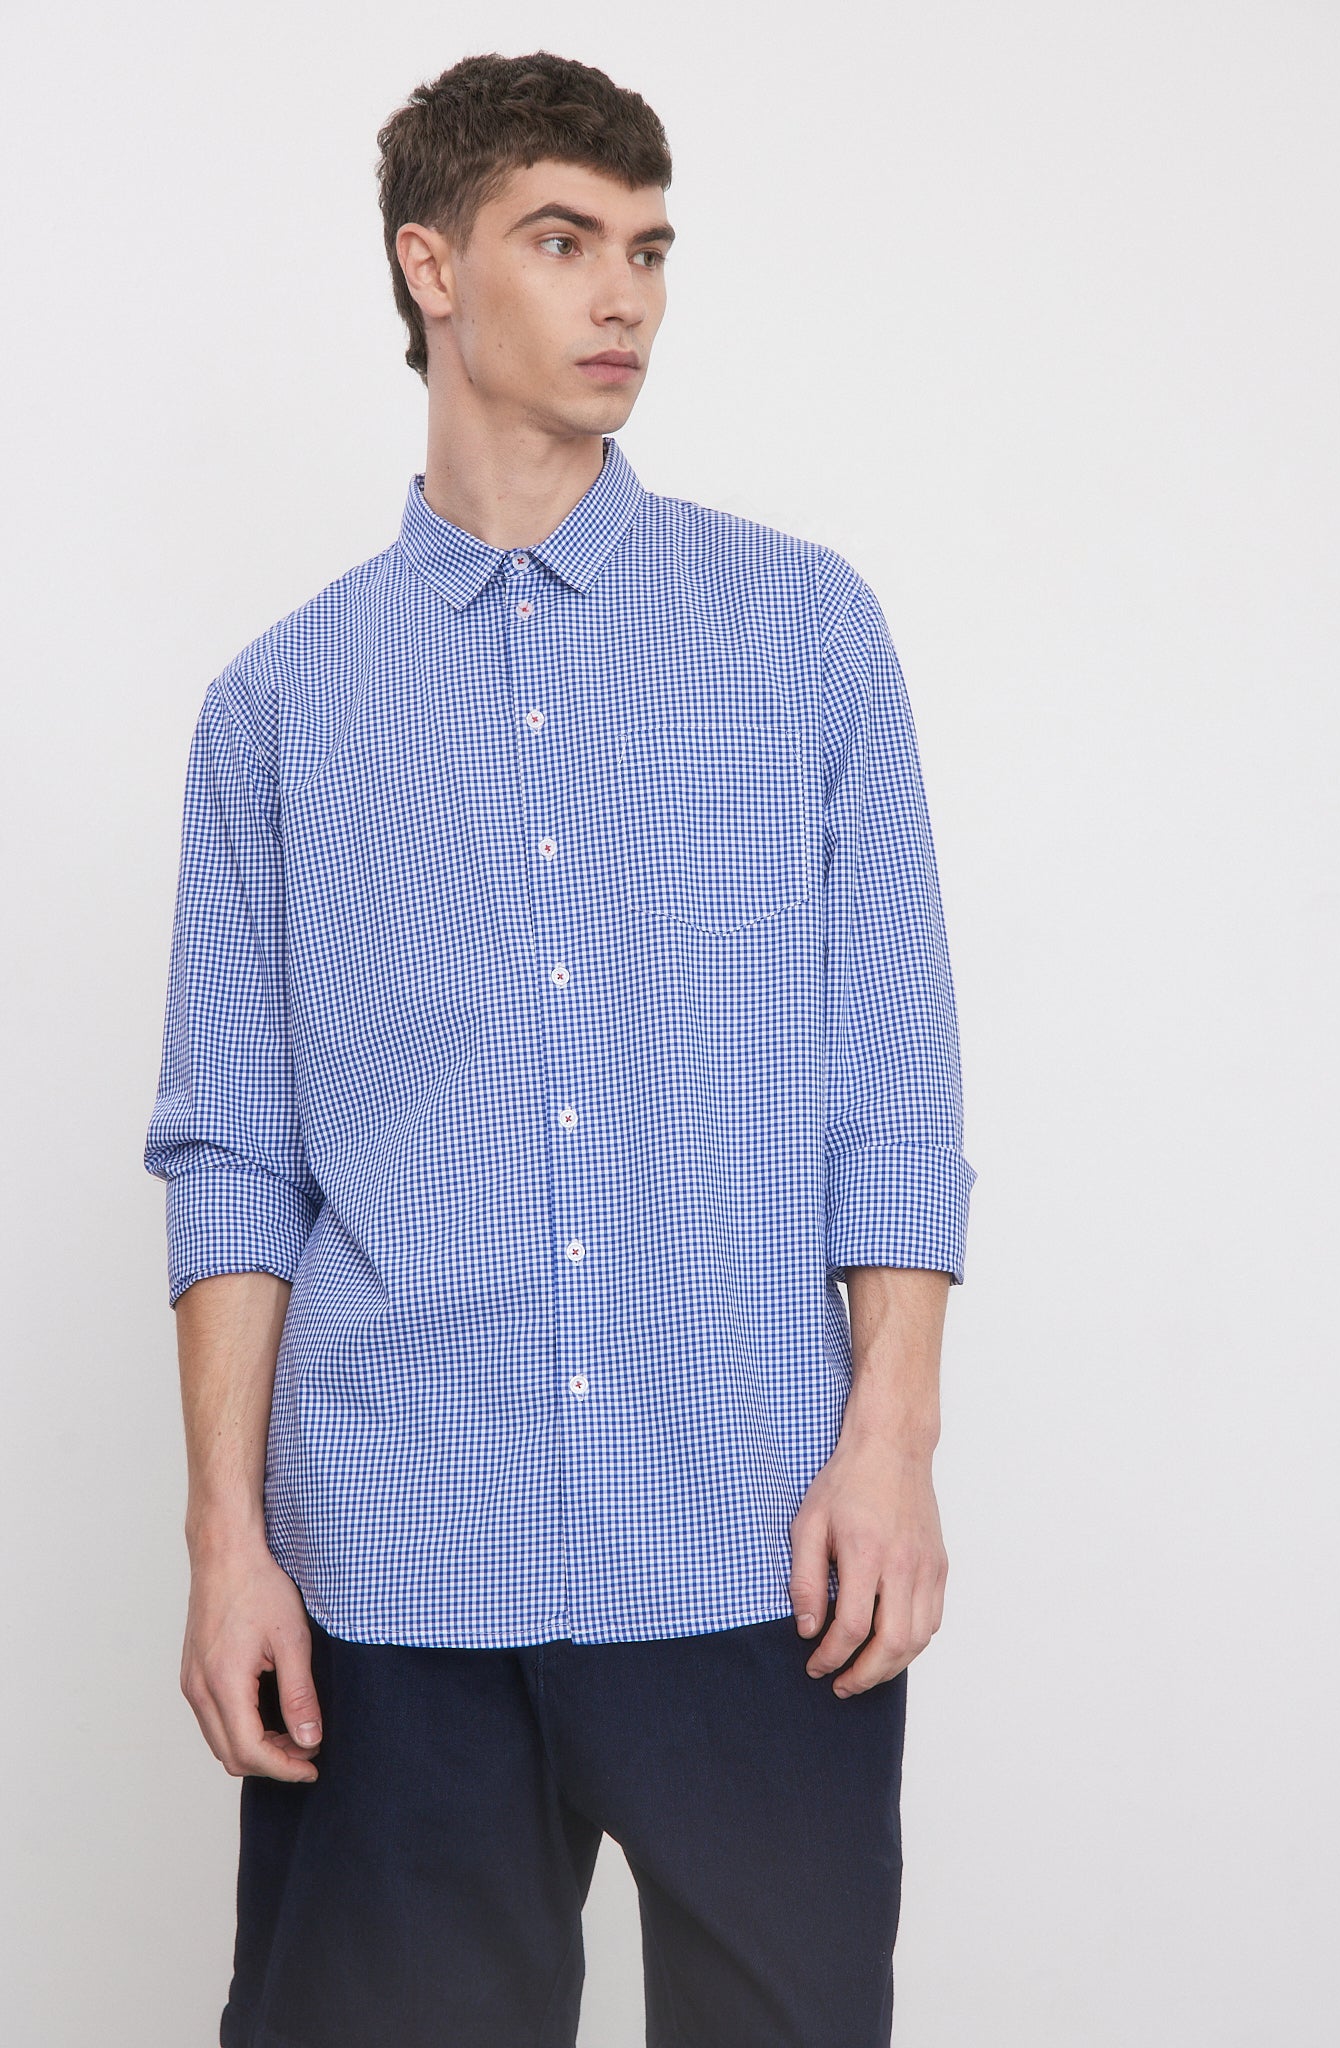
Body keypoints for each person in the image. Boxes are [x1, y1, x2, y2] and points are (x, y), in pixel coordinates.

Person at [143, 46, 977, 2048]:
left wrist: (890, 1445)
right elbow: (233, 1159)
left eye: (649, 250)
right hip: (392, 1575)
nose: (624, 297)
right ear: (429, 266)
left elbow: (891, 1083)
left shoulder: (797, 633)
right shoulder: (279, 708)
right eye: (562, 241)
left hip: (749, 1550)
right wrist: (227, 1540)